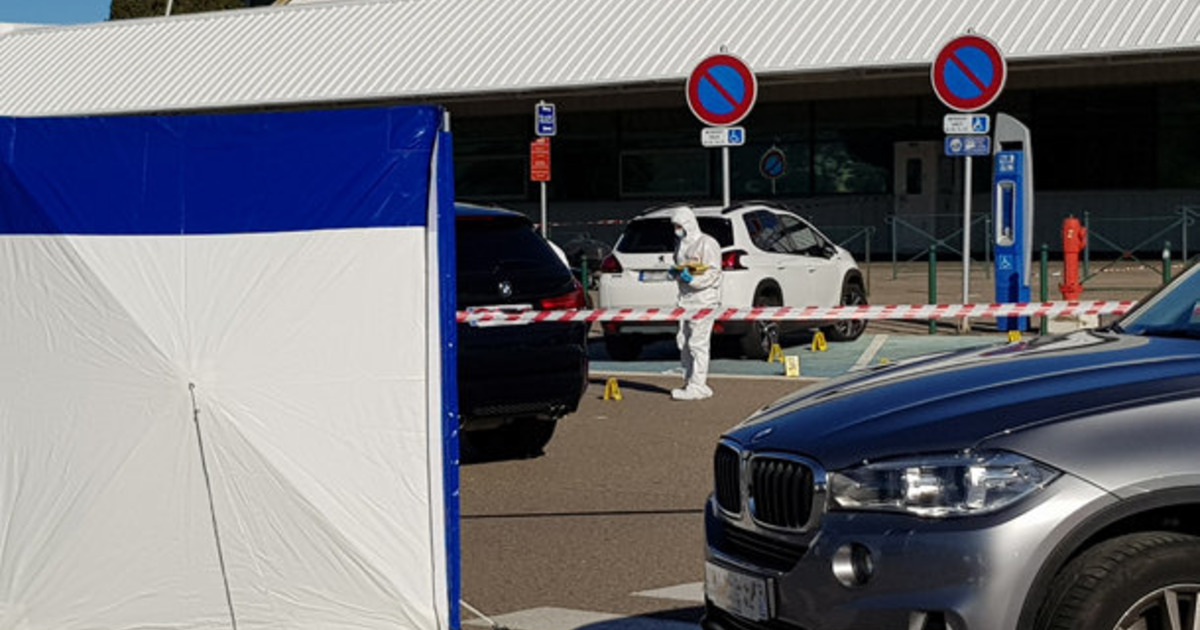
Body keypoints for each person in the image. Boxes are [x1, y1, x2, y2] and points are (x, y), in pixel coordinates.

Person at [668, 206, 722, 401]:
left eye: (679, 225)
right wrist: (677, 275)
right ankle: (692, 380)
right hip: (686, 300)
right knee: (683, 341)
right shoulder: (681, 245)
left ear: (688, 224)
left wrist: (693, 280)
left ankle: (697, 385)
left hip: (704, 300)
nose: (677, 229)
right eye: (675, 226)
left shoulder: (707, 244)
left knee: (697, 343)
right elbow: (682, 268)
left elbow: (713, 273)